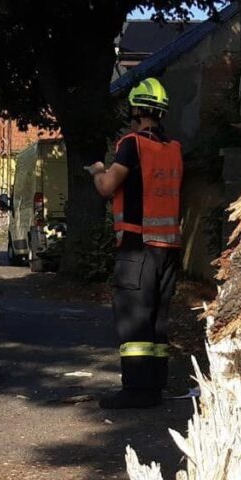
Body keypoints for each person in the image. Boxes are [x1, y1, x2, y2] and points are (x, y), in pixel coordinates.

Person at [87, 77, 183, 410]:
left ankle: (135, 392)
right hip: (168, 250)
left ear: (137, 109)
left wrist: (98, 170)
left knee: (133, 319)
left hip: (136, 247)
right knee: (157, 320)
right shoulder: (173, 149)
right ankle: (154, 387)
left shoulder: (132, 144)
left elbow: (107, 186)